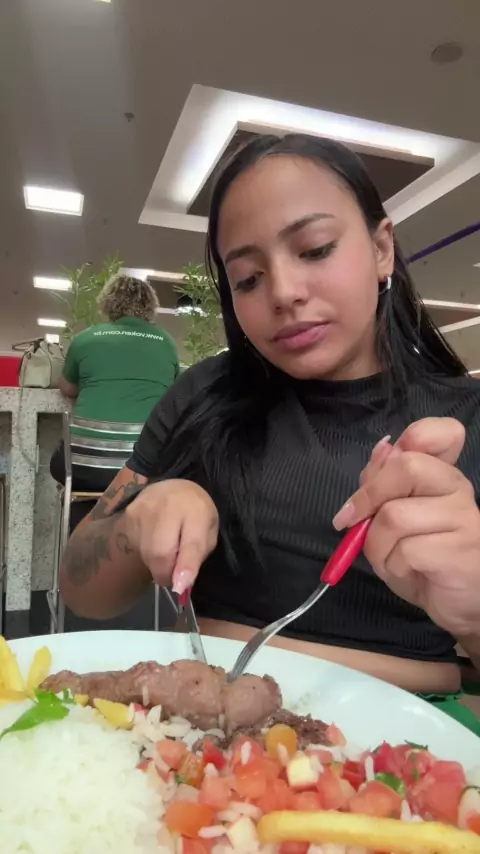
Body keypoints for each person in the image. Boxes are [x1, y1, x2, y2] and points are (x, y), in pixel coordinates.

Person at [59, 134, 480, 733]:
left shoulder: (466, 420)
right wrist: (135, 522)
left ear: (382, 248)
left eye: (316, 249)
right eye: (249, 278)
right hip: (196, 719)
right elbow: (80, 589)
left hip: (415, 731)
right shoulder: (204, 397)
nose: (283, 292)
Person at [50, 274, 179, 498]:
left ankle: (77, 515)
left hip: (83, 467)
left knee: (59, 462)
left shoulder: (85, 339)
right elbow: (172, 392)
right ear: (150, 305)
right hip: (141, 471)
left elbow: (67, 388)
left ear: (108, 302)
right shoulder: (166, 343)